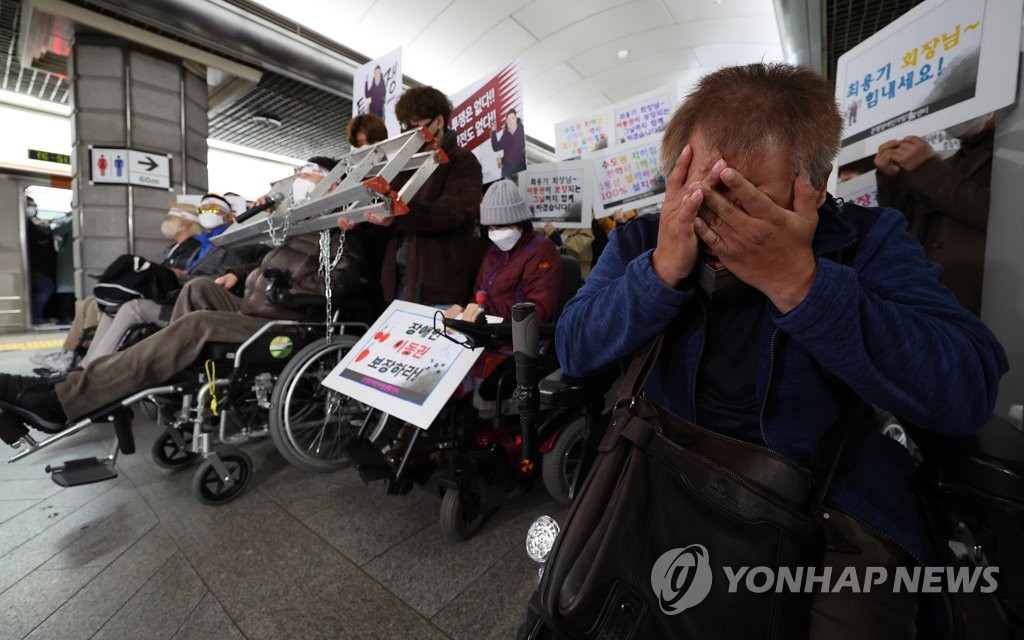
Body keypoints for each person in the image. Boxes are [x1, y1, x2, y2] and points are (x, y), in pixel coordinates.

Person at [554, 63, 1007, 639]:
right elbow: (574, 348)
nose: (721, 225)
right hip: (659, 475)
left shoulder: (867, 240)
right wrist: (660, 272)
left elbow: (966, 387)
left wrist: (803, 284)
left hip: (827, 515)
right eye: (703, 197)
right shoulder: (645, 237)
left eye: (751, 203)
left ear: (816, 187)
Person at [341, 85, 483, 305]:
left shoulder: (462, 161)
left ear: (439, 121)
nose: (413, 132)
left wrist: (398, 212)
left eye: (419, 124)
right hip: (398, 281)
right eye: (407, 126)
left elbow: (454, 211)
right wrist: (360, 219)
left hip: (438, 284)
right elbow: (385, 208)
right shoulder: (405, 164)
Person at [31, 203, 205, 374]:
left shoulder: (196, 249)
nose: (166, 222)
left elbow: (185, 281)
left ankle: (89, 367)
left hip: (174, 306)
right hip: (165, 298)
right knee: (100, 303)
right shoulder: (172, 250)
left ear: (184, 222)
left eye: (170, 218)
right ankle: (79, 359)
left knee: (128, 307)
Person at [874, 114, 994, 315]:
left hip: (983, 299)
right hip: (925, 295)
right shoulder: (951, 161)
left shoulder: (1011, 152)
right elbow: (905, 223)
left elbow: (1002, 217)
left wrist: (926, 168)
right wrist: (892, 178)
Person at [447, 179, 562, 322]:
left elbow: (539, 311)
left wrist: (484, 312)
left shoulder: (541, 251)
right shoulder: (494, 251)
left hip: (518, 338)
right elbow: (479, 296)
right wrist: (465, 311)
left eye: (500, 226)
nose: (495, 233)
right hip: (489, 331)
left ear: (518, 222)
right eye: (490, 227)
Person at [24, 196, 56, 325]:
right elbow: (43, 239)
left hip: (36, 266)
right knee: (46, 288)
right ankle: (36, 317)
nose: (32, 208)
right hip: (38, 266)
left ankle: (36, 316)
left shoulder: (30, 223)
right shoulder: (31, 225)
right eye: (29, 205)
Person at [490, 108, 527, 178]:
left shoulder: (522, 130)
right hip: (507, 171)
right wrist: (493, 131)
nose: (511, 121)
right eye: (509, 119)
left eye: (512, 118)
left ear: (516, 118)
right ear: (506, 121)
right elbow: (496, 147)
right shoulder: (505, 135)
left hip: (521, 167)